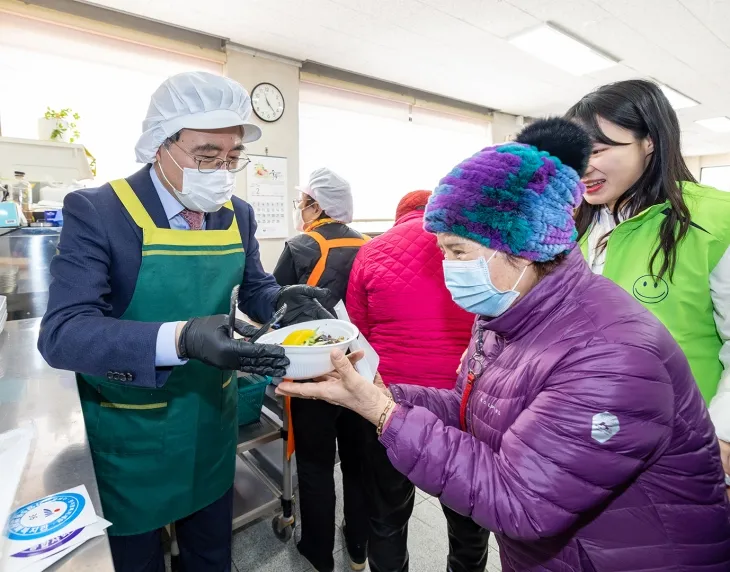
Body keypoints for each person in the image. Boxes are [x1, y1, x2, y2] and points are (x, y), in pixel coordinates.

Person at [275, 118, 730, 571]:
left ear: (522, 245)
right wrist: (378, 392)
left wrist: (386, 416)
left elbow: (521, 500)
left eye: (457, 252)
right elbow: (471, 409)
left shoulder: (609, 355)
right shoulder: (506, 313)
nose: (447, 266)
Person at [37, 71, 331, 572]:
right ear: (160, 144)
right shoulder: (99, 211)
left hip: (208, 425)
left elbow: (253, 285)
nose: (221, 170)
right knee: (137, 560)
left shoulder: (235, 212)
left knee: (211, 554)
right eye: (206, 157)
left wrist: (282, 301)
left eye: (232, 158)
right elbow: (63, 333)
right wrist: (180, 338)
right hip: (131, 430)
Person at [564, 79, 730, 484]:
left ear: (650, 142)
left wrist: (722, 439)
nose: (583, 166)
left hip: (685, 447)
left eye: (599, 149)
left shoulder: (714, 220)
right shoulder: (574, 230)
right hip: (591, 438)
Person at [346, 190, 489, 572]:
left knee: (387, 515)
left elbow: (356, 333)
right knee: (469, 518)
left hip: (389, 403)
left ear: (399, 217)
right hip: (463, 403)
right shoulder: (475, 251)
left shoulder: (371, 251)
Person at [273, 168, 370, 572]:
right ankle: (358, 548)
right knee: (357, 461)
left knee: (314, 464)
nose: (300, 209)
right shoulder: (370, 245)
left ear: (317, 206)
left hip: (313, 374)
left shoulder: (300, 246)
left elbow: (273, 307)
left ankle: (316, 551)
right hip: (361, 367)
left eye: (303, 202)